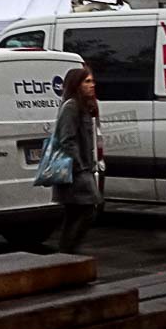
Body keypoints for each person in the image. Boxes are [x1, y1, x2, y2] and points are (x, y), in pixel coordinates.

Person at [50, 66, 102, 253]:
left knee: (74, 213)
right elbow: (67, 139)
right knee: (87, 210)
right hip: (74, 171)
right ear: (76, 84)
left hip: (82, 167)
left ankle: (67, 253)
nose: (92, 85)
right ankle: (68, 251)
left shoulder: (85, 106)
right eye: (87, 81)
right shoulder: (71, 106)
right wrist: (80, 166)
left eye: (92, 81)